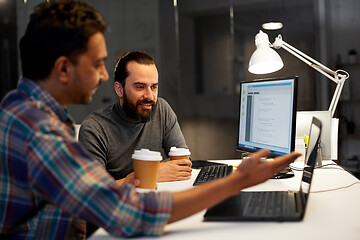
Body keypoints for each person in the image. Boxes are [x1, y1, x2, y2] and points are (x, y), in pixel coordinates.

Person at [0, 0, 301, 239]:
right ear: (63, 69)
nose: (104, 75)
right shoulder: (39, 130)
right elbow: (127, 214)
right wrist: (237, 182)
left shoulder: (26, 111)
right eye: (97, 65)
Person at [79, 51, 192, 185]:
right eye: (140, 87)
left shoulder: (161, 109)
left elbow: (183, 165)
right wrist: (150, 174)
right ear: (119, 89)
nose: (150, 96)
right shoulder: (94, 128)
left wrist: (152, 174)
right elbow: (92, 191)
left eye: (154, 87)